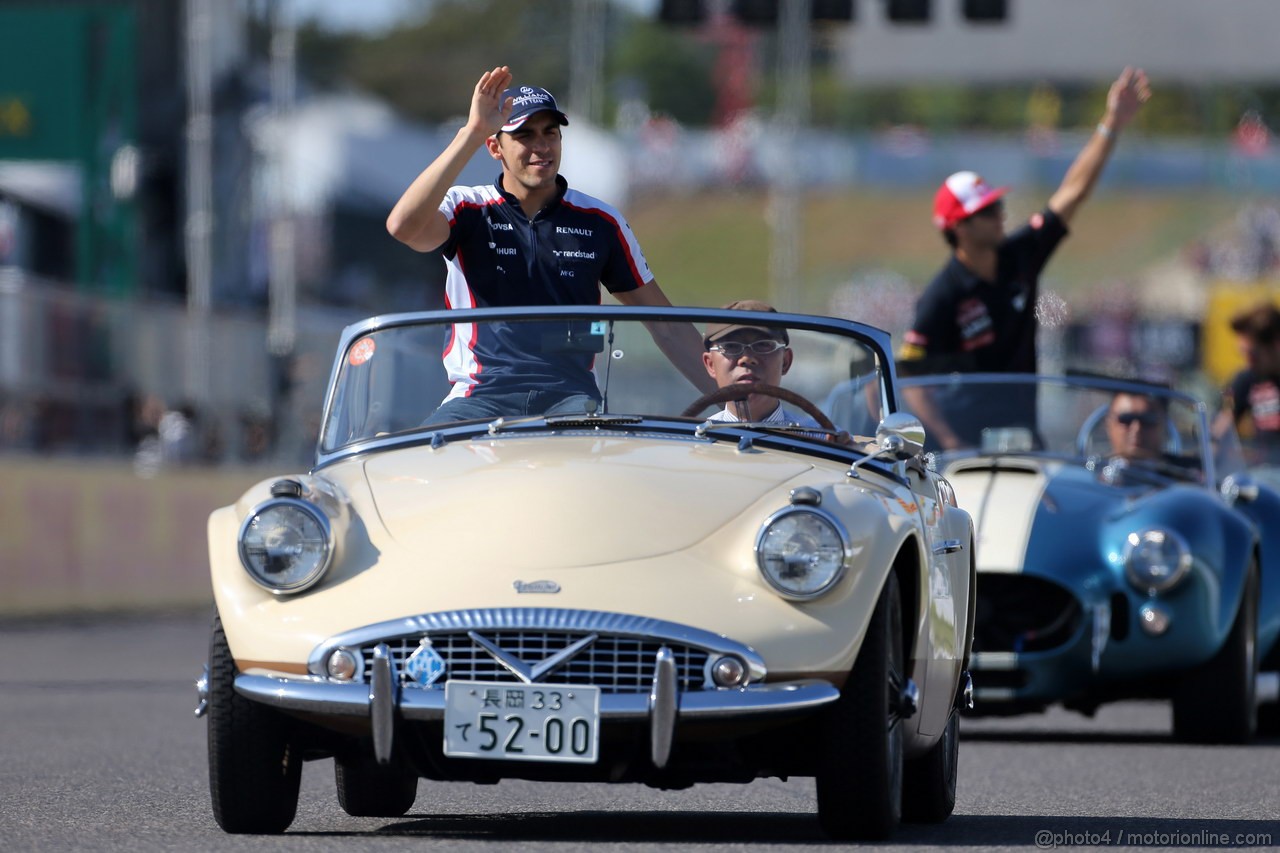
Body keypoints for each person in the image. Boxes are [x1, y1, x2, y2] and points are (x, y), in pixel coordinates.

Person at [386, 66, 712, 423]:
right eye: (525, 135)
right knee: (429, 470)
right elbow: (404, 227)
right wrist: (472, 132)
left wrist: (733, 403)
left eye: (550, 133)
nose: (541, 146)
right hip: (478, 397)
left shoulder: (601, 220)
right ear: (495, 147)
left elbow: (666, 325)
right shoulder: (466, 207)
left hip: (571, 398)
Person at [898, 67, 1152, 450]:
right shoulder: (942, 295)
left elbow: (1072, 193)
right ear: (958, 228)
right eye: (986, 210)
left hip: (1021, 437)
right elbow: (911, 379)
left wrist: (1111, 122)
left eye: (996, 204)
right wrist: (949, 441)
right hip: (965, 450)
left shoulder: (1020, 255)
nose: (999, 213)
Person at [701, 300, 821, 428]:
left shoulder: (823, 442)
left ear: (785, 362)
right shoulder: (691, 441)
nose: (746, 358)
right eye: (730, 346)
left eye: (763, 345)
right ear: (711, 364)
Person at [1214, 300, 1280, 465]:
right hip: (1266, 476)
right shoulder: (1247, 379)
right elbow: (1220, 428)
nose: (1248, 362)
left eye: (1253, 354)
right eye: (1243, 354)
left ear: (1276, 344)